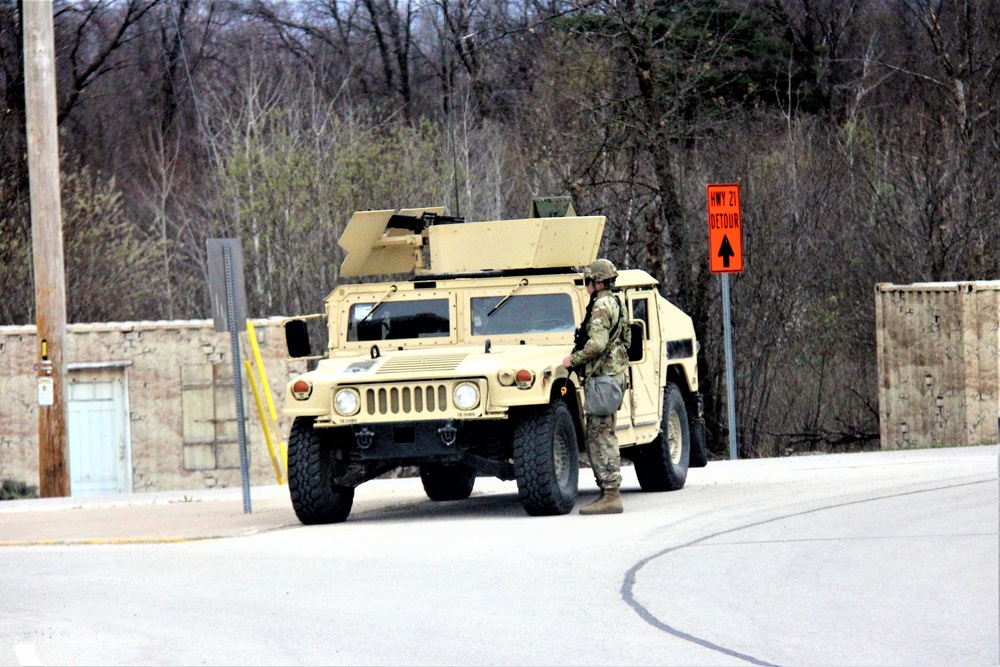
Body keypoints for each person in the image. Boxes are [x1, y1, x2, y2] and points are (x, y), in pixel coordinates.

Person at [562, 258, 631, 515]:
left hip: (604, 379)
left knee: (600, 435)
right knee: (604, 432)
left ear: (599, 282)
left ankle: (611, 494)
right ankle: (609, 492)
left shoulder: (601, 305)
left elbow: (597, 344)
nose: (586, 286)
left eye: (587, 281)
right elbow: (627, 338)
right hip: (612, 376)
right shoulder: (616, 302)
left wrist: (573, 360)